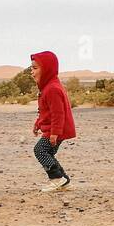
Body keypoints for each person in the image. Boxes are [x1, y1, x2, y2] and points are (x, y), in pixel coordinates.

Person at [29, 50, 76, 192]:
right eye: (31, 68)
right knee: (46, 152)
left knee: (40, 150)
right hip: (54, 129)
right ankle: (64, 181)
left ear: (47, 69)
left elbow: (58, 114)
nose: (31, 71)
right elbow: (46, 111)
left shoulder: (52, 89)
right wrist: (38, 123)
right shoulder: (47, 87)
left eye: (35, 68)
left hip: (56, 130)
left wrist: (55, 133)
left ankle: (56, 179)